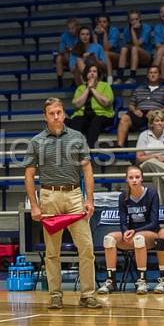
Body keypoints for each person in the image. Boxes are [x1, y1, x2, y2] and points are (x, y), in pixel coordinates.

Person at [23, 97, 101, 311]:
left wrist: (89, 199)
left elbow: (87, 170)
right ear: (45, 116)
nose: (56, 116)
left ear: (64, 113)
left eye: (59, 112)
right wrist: (35, 205)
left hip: (75, 196)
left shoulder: (77, 137)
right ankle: (55, 295)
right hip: (49, 197)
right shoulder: (36, 141)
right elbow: (29, 176)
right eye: (51, 113)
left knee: (86, 248)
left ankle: (88, 295)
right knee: (52, 252)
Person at [99, 165, 160, 295]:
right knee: (109, 239)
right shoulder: (123, 196)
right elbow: (122, 219)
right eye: (131, 177)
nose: (134, 180)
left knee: (139, 239)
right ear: (126, 180)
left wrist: (135, 232)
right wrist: (125, 230)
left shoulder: (152, 193)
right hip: (132, 234)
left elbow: (154, 223)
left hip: (150, 233)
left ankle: (142, 281)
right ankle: (111, 280)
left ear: (142, 178)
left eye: (137, 177)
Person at [115, 65, 164, 147]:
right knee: (124, 118)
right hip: (139, 113)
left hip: (157, 113)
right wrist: (135, 110)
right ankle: (119, 147)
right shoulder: (138, 89)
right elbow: (131, 105)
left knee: (156, 118)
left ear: (160, 75)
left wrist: (157, 112)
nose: (153, 75)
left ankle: (152, 148)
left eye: (155, 73)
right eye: (150, 73)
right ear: (147, 75)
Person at [68, 63, 114, 150]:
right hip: (84, 116)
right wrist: (87, 89)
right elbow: (77, 104)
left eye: (94, 71)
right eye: (89, 71)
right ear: (86, 74)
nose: (92, 73)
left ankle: (90, 149)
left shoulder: (105, 86)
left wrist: (92, 89)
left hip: (102, 116)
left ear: (98, 74)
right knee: (76, 120)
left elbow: (106, 103)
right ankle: (75, 149)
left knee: (96, 121)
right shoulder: (80, 88)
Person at [116, 10, 151, 84]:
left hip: (146, 57)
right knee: (123, 49)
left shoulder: (146, 28)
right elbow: (126, 45)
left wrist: (132, 30)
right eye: (132, 20)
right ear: (129, 21)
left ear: (140, 19)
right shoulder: (126, 30)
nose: (134, 21)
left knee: (134, 48)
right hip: (132, 56)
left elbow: (137, 45)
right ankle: (119, 77)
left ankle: (132, 77)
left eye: (136, 19)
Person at [55, 17, 81, 88]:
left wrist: (72, 50)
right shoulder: (64, 36)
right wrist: (66, 51)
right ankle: (60, 82)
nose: (70, 30)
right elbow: (61, 50)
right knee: (59, 58)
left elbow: (81, 50)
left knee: (76, 58)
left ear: (77, 27)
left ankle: (75, 80)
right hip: (68, 56)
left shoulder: (81, 34)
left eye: (72, 28)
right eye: (69, 28)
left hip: (79, 58)